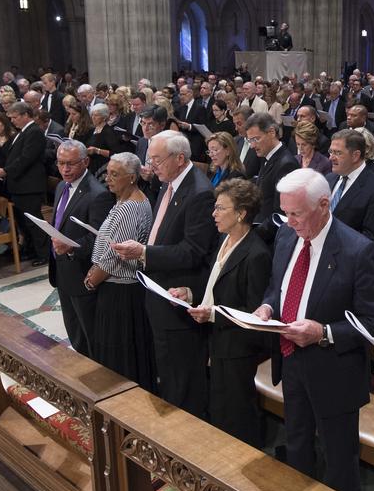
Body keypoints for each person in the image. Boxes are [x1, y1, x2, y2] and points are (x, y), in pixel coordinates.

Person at [250, 169, 374, 491]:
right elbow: (277, 287)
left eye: (296, 213)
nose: (289, 220)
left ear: (324, 204)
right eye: (285, 212)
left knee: (339, 462)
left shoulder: (358, 251)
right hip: (291, 360)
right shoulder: (286, 236)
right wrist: (268, 307)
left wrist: (324, 333)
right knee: (297, 446)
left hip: (334, 372)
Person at [111, 131, 218, 413]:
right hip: (158, 291)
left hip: (178, 297)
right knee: (168, 371)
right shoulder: (168, 183)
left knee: (183, 378)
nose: (151, 165)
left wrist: (144, 252)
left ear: (180, 158)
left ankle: (187, 437)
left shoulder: (200, 193)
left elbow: (193, 251)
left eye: (156, 159)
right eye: (149, 158)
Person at [168, 178, 273, 447]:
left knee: (237, 414)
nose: (213, 214)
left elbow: (253, 313)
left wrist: (212, 314)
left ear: (241, 213)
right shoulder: (224, 240)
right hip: (216, 340)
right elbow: (216, 285)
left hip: (237, 347)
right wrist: (190, 294)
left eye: (220, 208)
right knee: (219, 409)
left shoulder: (256, 254)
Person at [84, 152, 154, 386]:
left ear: (132, 177)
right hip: (119, 289)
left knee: (119, 359)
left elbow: (116, 254)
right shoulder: (125, 201)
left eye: (115, 174)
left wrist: (93, 278)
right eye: (107, 173)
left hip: (120, 293)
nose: (108, 179)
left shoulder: (129, 209)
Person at [47, 140, 115, 355]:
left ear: (85, 162)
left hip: (82, 273)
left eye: (71, 164)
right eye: (60, 163)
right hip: (63, 271)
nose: (65, 169)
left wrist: (71, 247)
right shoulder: (61, 186)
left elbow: (99, 238)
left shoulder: (98, 194)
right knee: (75, 332)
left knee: (90, 335)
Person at [0, 103, 49, 266]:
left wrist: (5, 171)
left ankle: (44, 254)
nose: (13, 121)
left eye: (15, 118)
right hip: (19, 185)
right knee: (24, 222)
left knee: (34, 221)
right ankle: (32, 250)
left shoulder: (34, 132)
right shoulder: (21, 132)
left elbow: (26, 158)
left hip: (30, 185)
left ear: (25, 115)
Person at [326, 128, 374, 249]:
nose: (331, 158)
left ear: (355, 156)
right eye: (331, 151)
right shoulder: (329, 179)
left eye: (338, 153)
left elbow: (373, 239)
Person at [244, 111, 299, 239]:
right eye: (250, 140)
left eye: (256, 139)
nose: (252, 146)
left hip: (270, 237)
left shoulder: (286, 164)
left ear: (272, 132)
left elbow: (280, 215)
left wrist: (251, 236)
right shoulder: (266, 156)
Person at [86, 102, 129, 175]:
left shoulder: (108, 132)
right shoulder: (92, 130)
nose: (93, 117)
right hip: (91, 166)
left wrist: (97, 151)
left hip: (102, 168)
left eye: (96, 115)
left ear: (104, 117)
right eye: (92, 115)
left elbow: (115, 153)